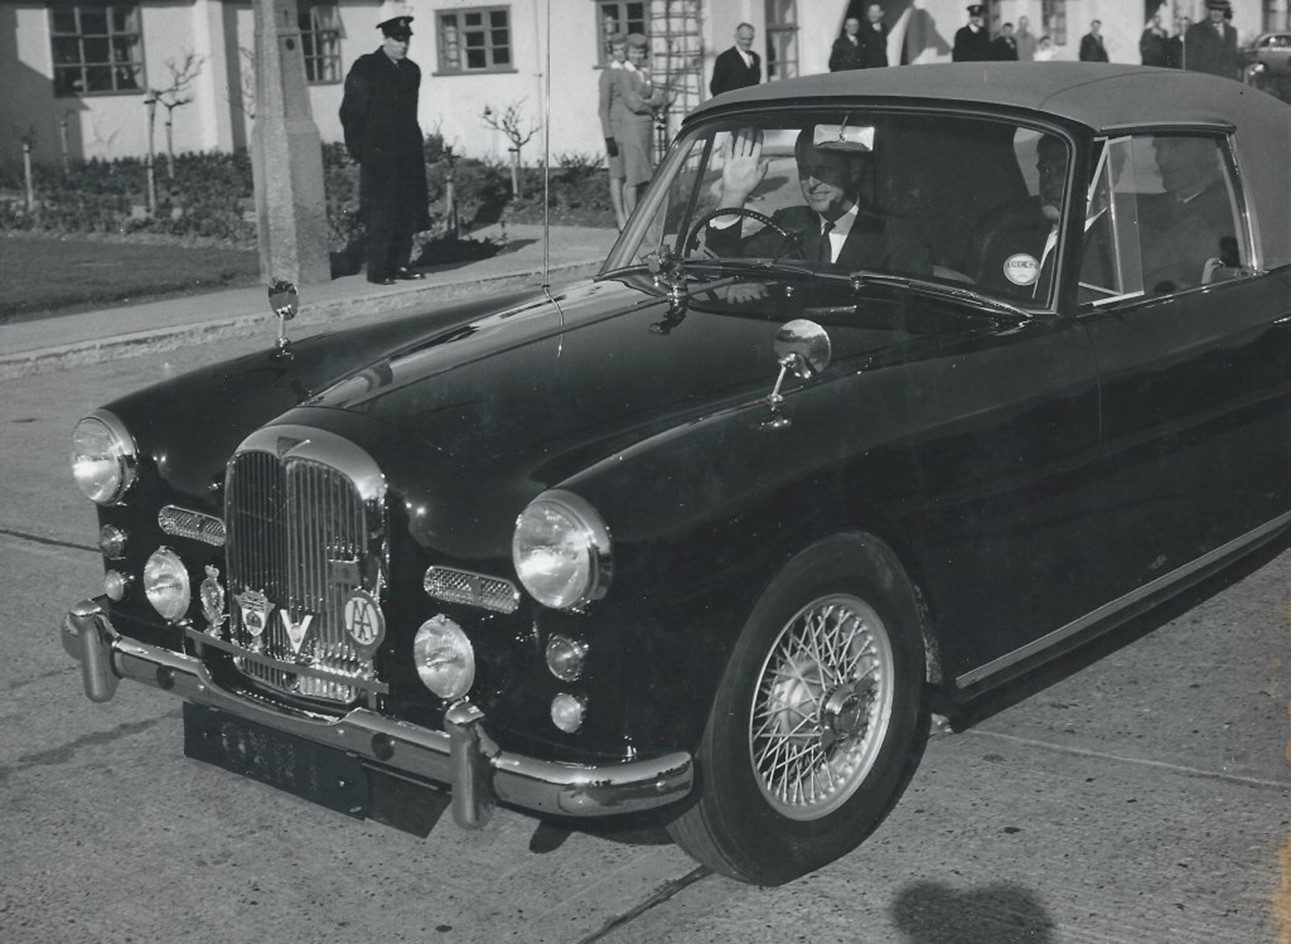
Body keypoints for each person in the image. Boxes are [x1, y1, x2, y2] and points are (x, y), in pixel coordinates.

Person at [704, 125, 929, 275]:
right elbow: (723, 263)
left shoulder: (897, 234)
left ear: (853, 170)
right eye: (804, 170)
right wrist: (734, 193)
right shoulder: (789, 222)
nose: (811, 182)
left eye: (824, 170)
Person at [339, 3, 430, 285]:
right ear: (385, 39)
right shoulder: (366, 67)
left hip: (407, 153)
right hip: (378, 155)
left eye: (406, 39)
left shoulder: (411, 71)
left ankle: (401, 264)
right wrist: (360, 152)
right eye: (397, 40)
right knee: (382, 212)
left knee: (407, 210)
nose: (403, 45)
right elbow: (350, 114)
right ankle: (378, 270)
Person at [1140, 136, 1238, 293]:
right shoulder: (1144, 209)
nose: (1161, 159)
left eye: (1176, 145)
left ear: (1211, 152)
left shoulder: (1234, 212)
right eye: (1158, 147)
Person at [972, 135, 1067, 297]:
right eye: (1045, 170)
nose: (1050, 183)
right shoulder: (1012, 242)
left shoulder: (1115, 249)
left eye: (1064, 170)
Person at [611, 33, 667, 216]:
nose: (637, 56)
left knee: (644, 173)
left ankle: (641, 217)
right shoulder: (624, 75)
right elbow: (633, 103)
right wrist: (651, 103)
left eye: (641, 52)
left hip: (646, 127)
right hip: (632, 128)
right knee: (634, 176)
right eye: (634, 52)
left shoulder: (644, 73)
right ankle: (632, 221)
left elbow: (660, 97)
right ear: (627, 53)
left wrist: (650, 101)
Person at [598, 34, 629, 230]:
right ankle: (620, 217)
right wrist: (608, 136)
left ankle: (629, 212)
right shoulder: (608, 74)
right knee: (617, 175)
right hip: (616, 131)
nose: (621, 53)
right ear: (611, 52)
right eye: (617, 50)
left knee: (630, 175)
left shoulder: (631, 71)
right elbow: (603, 107)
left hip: (631, 130)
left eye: (623, 49)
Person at [1184, 0, 1239, 79]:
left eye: (1220, 10)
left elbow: (1233, 60)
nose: (1217, 13)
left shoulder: (1231, 32)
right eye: (1213, 9)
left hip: (1228, 84)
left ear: (1224, 11)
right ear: (1208, 9)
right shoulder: (1195, 30)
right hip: (1206, 82)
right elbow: (1189, 63)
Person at [710, 23, 761, 96]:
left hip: (751, 104)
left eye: (750, 39)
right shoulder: (725, 58)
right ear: (736, 37)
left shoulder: (755, 58)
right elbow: (715, 87)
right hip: (733, 104)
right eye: (743, 39)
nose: (747, 42)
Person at [859, 3, 890, 68]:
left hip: (882, 66)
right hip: (869, 67)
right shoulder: (862, 29)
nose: (873, 15)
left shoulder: (884, 28)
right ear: (868, 13)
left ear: (881, 13)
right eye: (871, 12)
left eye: (876, 12)